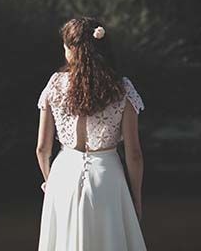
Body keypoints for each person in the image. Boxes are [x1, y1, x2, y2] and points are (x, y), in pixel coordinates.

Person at [35, 16, 147, 251]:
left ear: (70, 50)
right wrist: (135, 199)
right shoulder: (122, 88)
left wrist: (50, 182)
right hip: (108, 180)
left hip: (63, 177)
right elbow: (134, 154)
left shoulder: (55, 84)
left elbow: (42, 149)